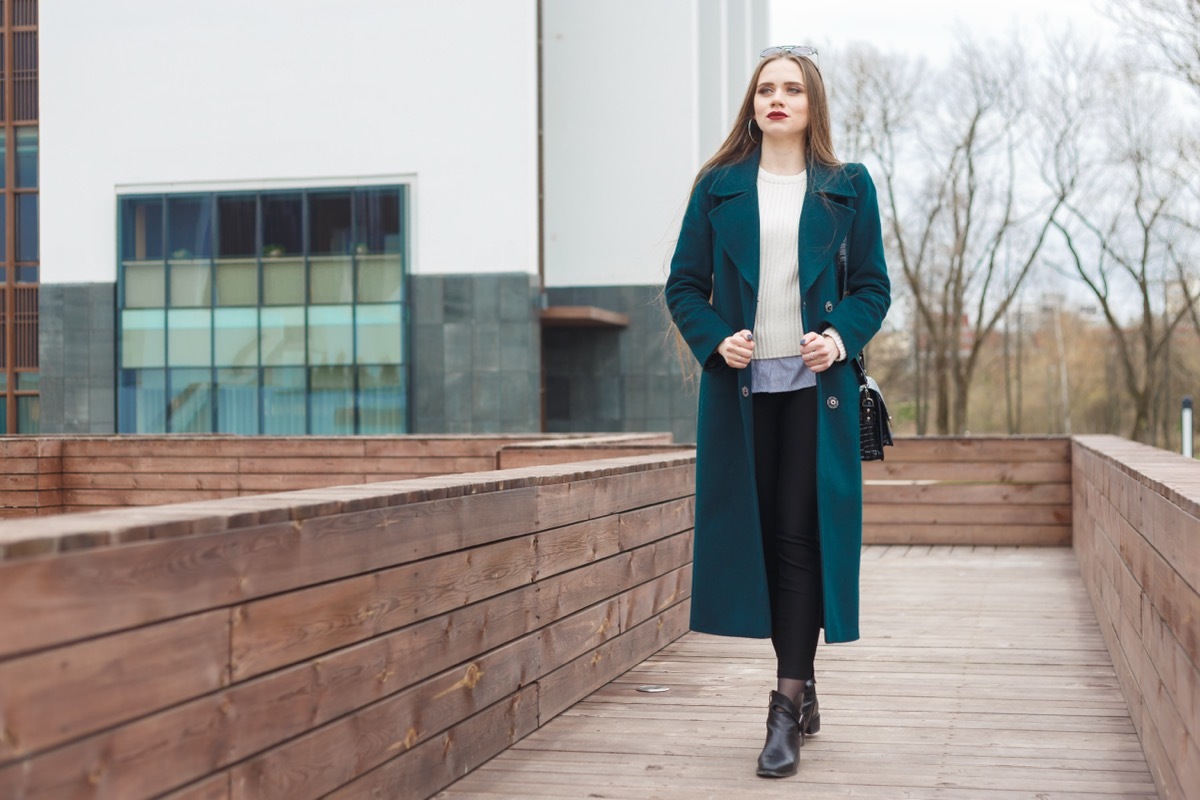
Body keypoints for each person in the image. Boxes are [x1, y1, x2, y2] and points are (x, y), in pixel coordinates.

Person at [664, 45, 890, 778]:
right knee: (761, 540)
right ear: (753, 104)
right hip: (742, 392)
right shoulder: (718, 187)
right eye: (766, 88)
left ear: (811, 103)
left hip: (815, 393)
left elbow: (874, 290)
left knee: (797, 538)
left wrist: (839, 337)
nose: (778, 98)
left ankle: (784, 706)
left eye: (792, 88)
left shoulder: (848, 188)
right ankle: (806, 676)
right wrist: (713, 338)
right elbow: (683, 286)